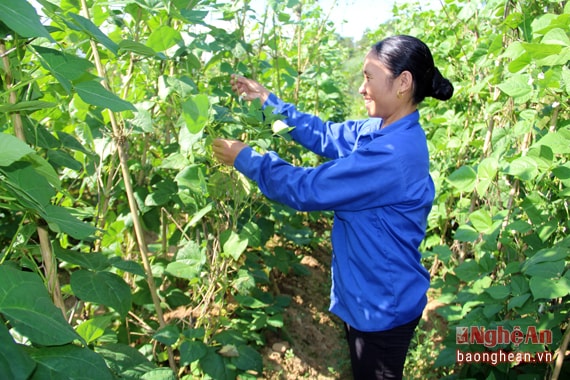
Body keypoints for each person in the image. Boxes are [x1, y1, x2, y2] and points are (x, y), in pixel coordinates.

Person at [212, 35, 453, 379]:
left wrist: (246, 159)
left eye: (369, 77)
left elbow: (307, 189)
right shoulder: (380, 129)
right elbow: (323, 134)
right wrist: (268, 101)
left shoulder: (392, 155)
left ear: (403, 82)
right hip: (368, 295)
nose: (361, 88)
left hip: (383, 305)